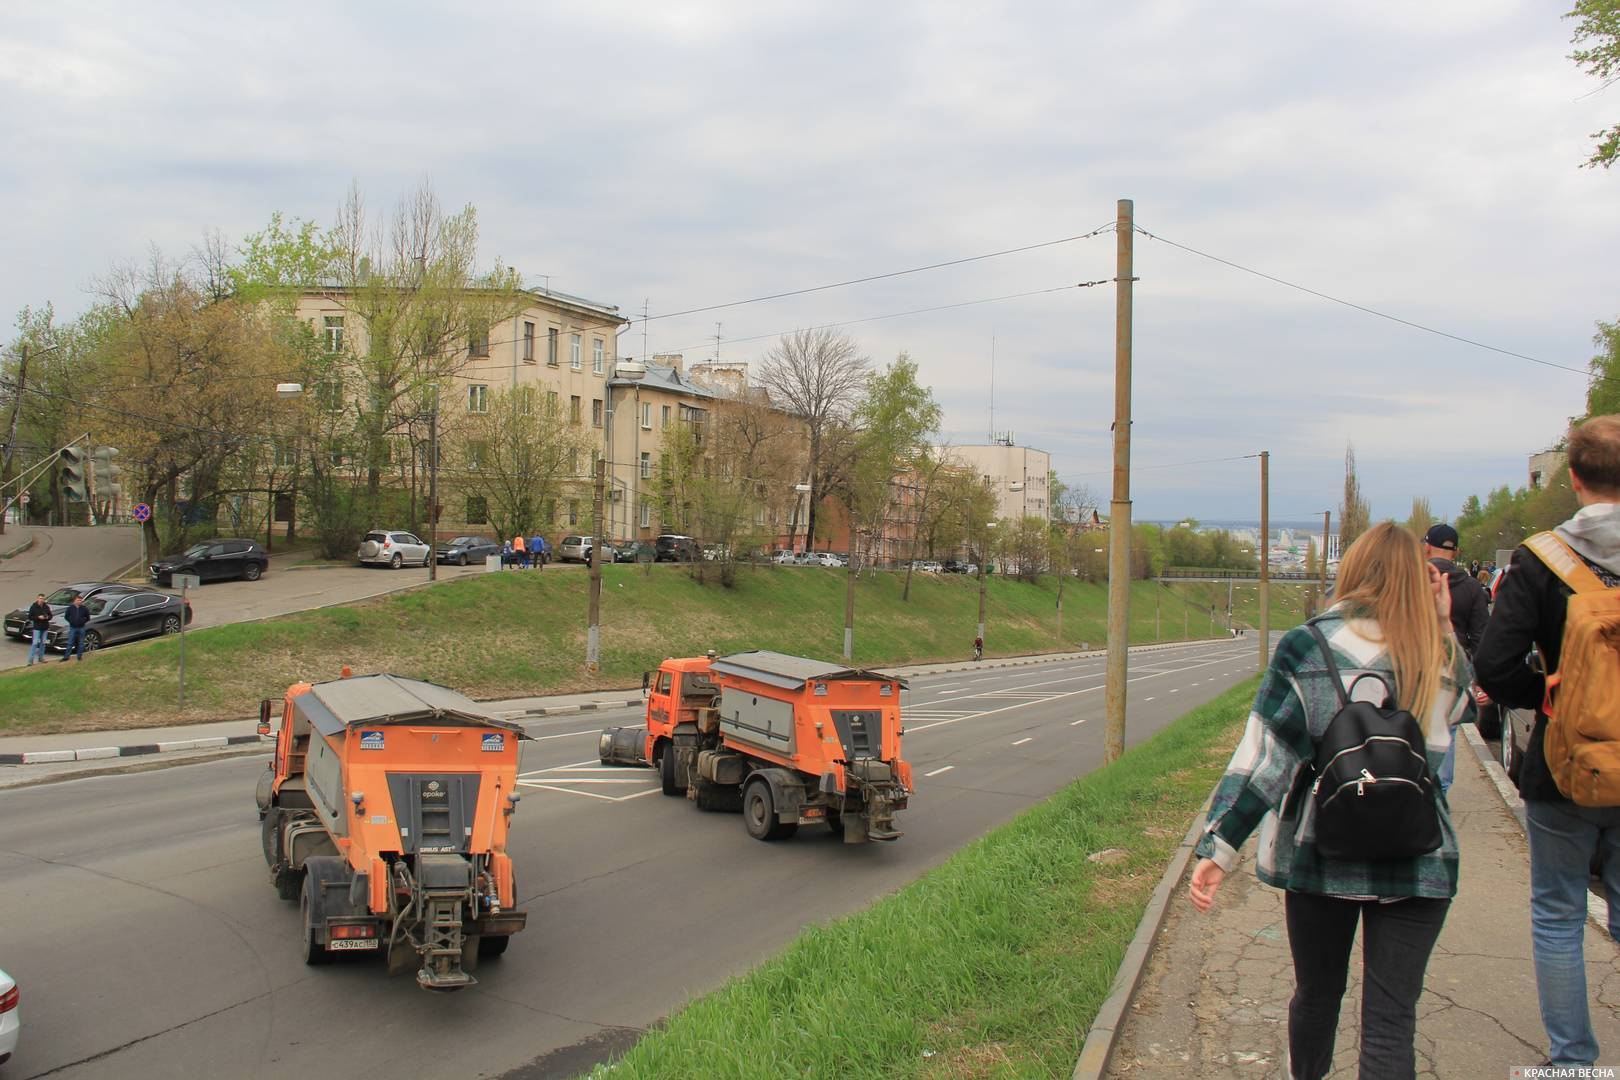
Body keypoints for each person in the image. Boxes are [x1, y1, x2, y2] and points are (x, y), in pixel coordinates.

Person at [1188, 523, 1472, 1079]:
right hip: (1419, 859)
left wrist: (1218, 849)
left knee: (1316, 1000)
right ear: (1422, 580)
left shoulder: (1307, 645)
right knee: (1392, 1023)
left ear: (1353, 571)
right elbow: (1449, 735)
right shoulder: (1436, 651)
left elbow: (1267, 760)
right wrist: (1443, 623)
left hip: (1321, 853)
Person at [1476, 414, 1620, 1067]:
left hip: (1567, 765)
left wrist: (1547, 692)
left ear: (1573, 477)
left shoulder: (1542, 560)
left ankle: (1573, 1061)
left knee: (1558, 913)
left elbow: (1496, 669)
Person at [1423, 522, 1491, 794]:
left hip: (1413, 666)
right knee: (1446, 729)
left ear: (1426, 547)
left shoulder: (1413, 582)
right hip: (1454, 668)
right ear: (1457, 551)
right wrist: (1482, 682)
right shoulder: (1473, 588)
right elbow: (1482, 639)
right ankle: (1440, 794)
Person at [61, 594, 91, 661]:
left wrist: (83, 621)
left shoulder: (84, 608)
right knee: (70, 642)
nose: (79, 601)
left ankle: (79, 656)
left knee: (81, 643)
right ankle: (66, 657)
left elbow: (88, 618)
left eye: (80, 600)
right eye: (78, 600)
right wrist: (71, 621)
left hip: (81, 628)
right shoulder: (70, 608)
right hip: (73, 628)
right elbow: (66, 616)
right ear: (74, 601)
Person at [25, 592, 51, 665]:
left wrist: (47, 617)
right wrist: (38, 617)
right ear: (37, 599)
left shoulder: (46, 607)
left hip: (45, 627)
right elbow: (30, 617)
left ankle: (41, 657)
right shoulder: (33, 607)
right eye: (40, 598)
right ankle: (30, 660)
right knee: (35, 643)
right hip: (37, 627)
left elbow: (50, 615)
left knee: (43, 643)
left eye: (42, 599)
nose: (41, 600)